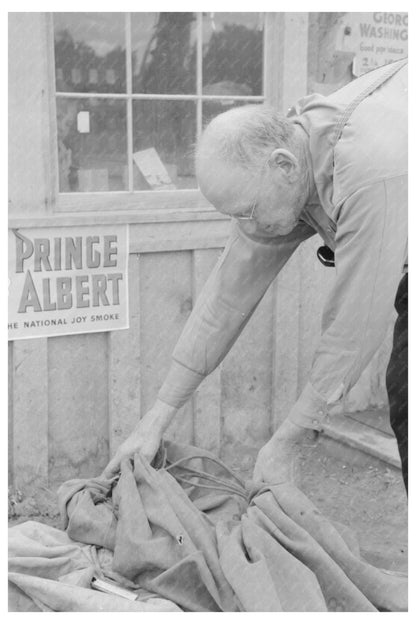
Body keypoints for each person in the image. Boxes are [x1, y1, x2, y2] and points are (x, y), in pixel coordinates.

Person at [104, 59, 408, 491]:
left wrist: (288, 440)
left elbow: (354, 327)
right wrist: (154, 420)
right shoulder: (287, 167)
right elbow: (226, 300)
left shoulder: (366, 168)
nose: (247, 223)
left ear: (283, 166)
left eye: (246, 211)